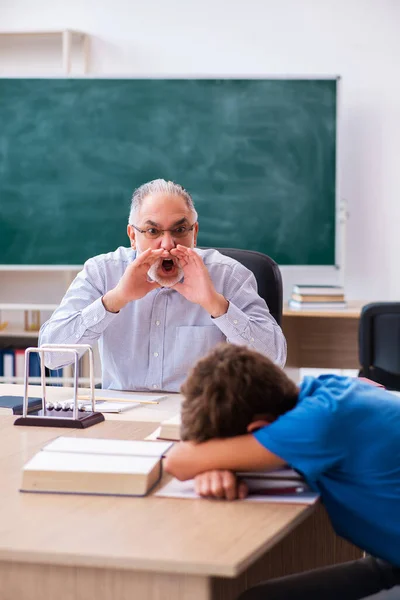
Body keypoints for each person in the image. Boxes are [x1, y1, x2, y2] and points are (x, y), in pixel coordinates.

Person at [164, 343, 400, 600]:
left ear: (258, 430)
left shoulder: (316, 424)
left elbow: (178, 461)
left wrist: (208, 461)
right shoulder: (326, 390)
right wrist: (217, 463)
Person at [39, 179, 286, 391]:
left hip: (201, 418)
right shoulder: (102, 272)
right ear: (133, 236)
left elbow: (274, 361)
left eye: (180, 230)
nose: (167, 244)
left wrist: (216, 304)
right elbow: (50, 356)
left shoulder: (228, 275)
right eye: (152, 231)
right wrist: (114, 300)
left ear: (195, 233)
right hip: (122, 421)